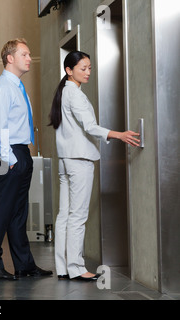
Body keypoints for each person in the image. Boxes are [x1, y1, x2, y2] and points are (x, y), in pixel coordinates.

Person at [49, 51, 140, 281]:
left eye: (89, 68)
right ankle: (77, 268)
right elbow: (90, 127)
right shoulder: (75, 94)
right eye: (83, 68)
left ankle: (63, 267)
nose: (88, 72)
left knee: (64, 215)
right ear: (69, 70)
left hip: (66, 159)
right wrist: (118, 134)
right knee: (77, 216)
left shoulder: (64, 92)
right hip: (79, 160)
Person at [0, 38, 53, 280]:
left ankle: (24, 265)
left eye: (29, 54)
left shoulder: (16, 87)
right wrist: (10, 159)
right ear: (10, 58)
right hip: (8, 152)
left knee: (18, 213)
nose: (29, 58)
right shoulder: (2, 88)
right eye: (24, 54)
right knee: (0, 211)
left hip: (20, 151)